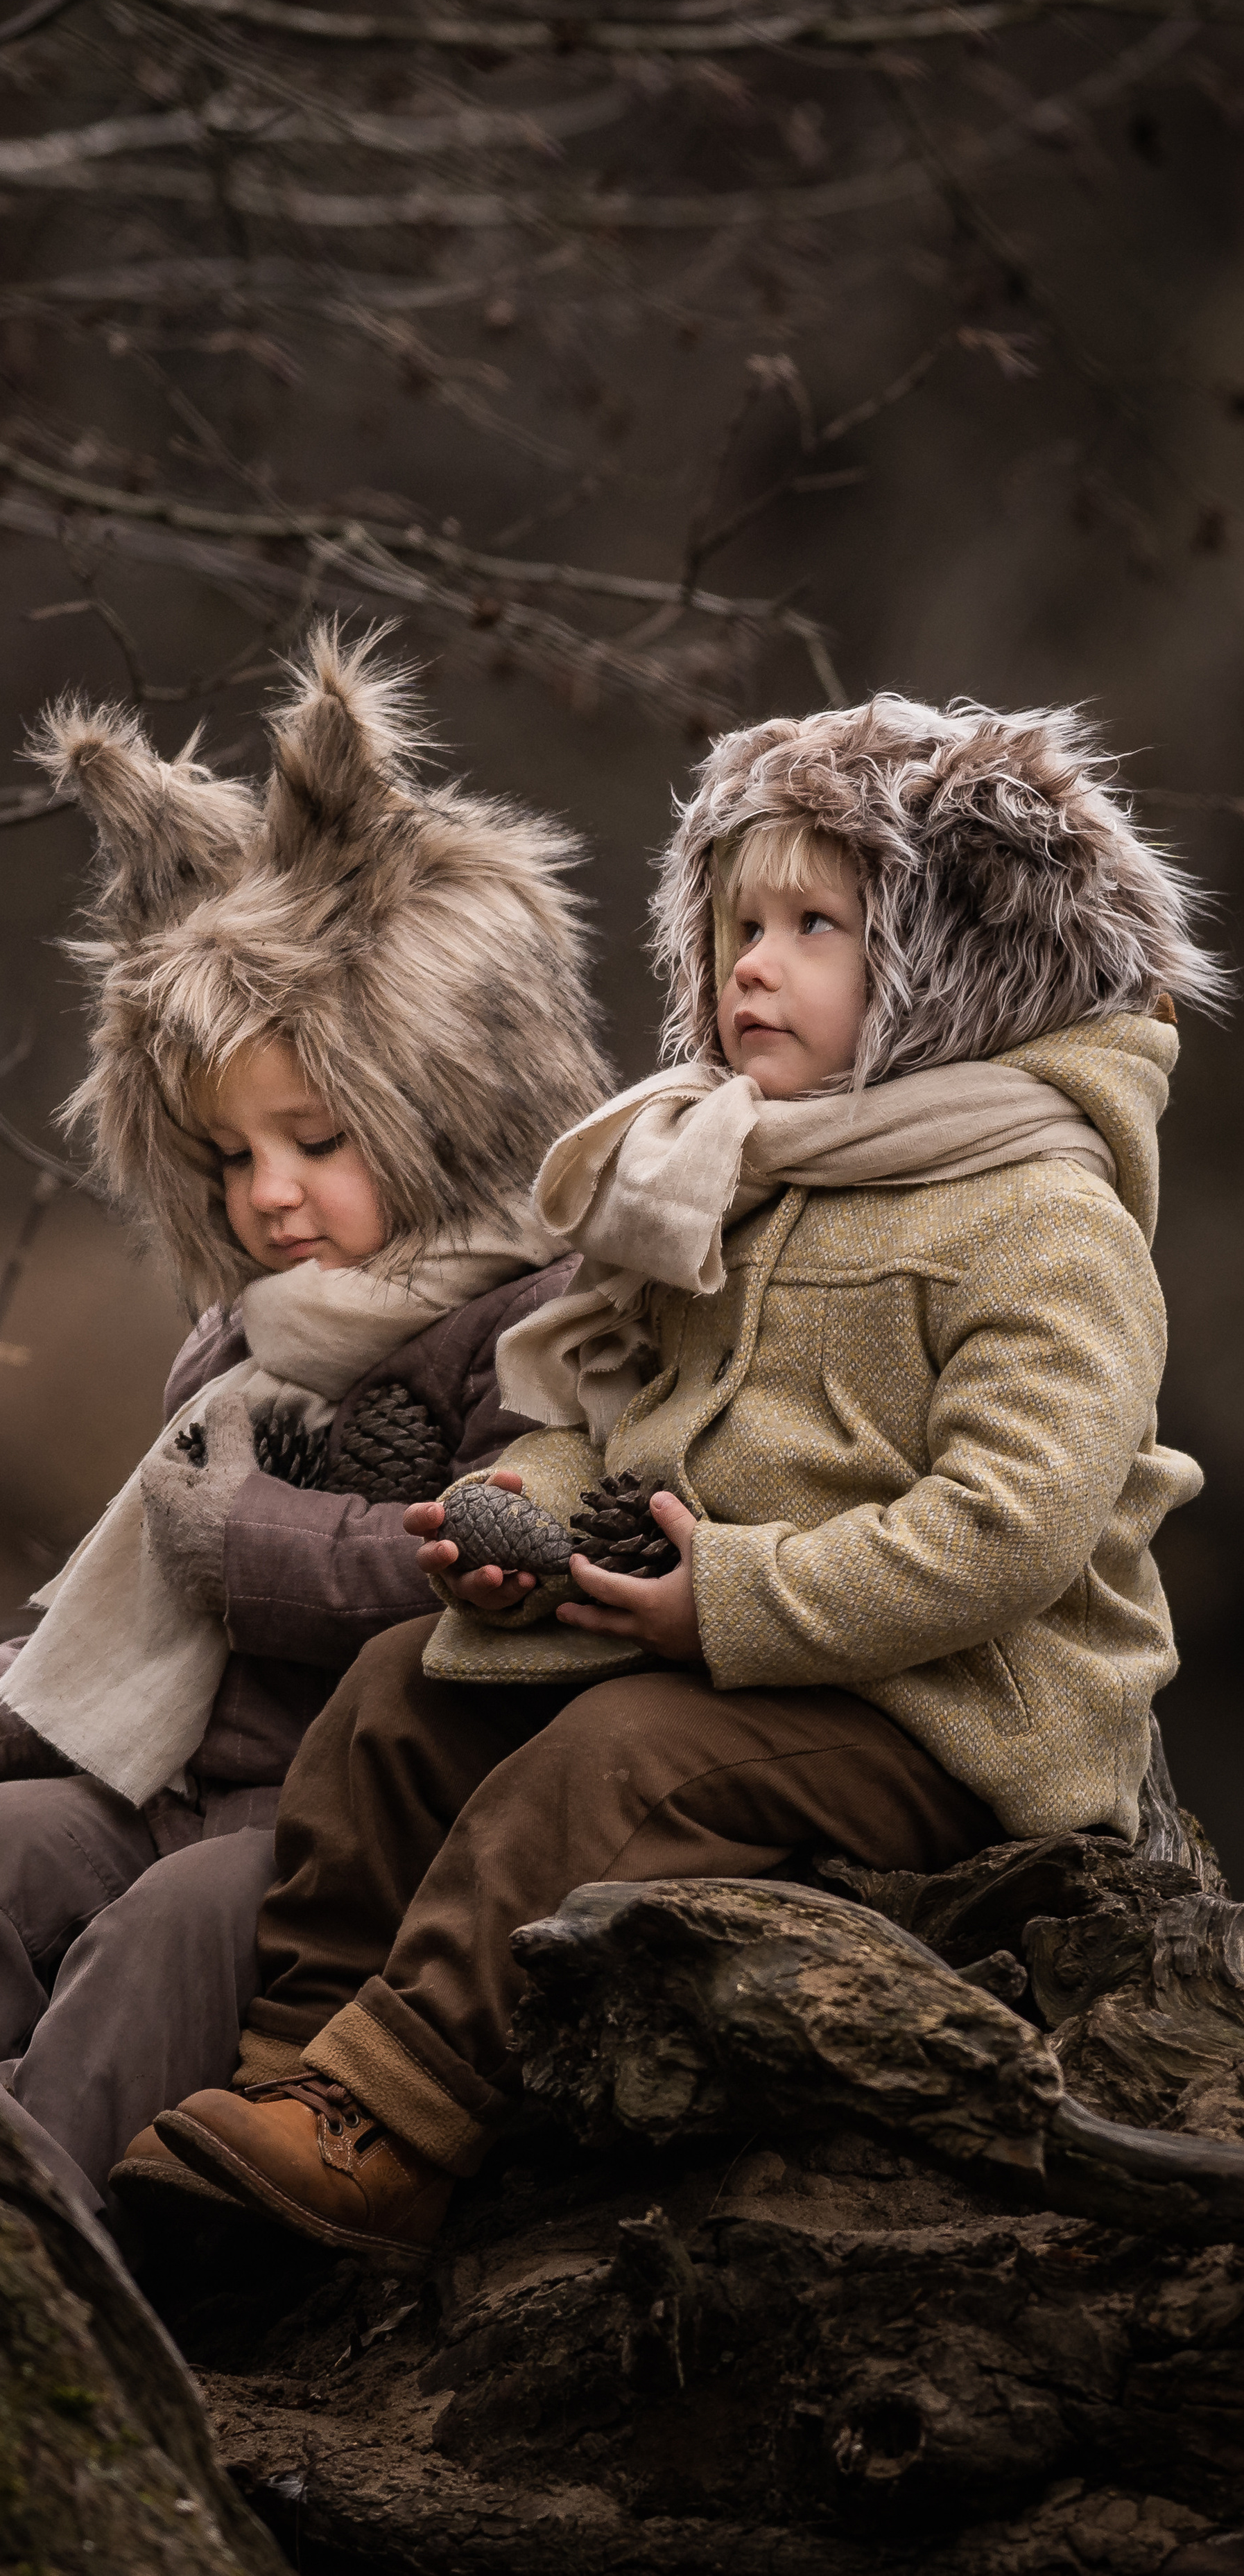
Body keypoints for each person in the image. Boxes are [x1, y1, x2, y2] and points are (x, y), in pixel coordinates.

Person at [139, 691, 1227, 2263]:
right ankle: (285, 2085)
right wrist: (520, 1509)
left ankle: (392, 2125)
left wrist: (724, 1601)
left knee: (620, 1765)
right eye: (730, 926)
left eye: (812, 925)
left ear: (957, 968)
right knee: (395, 1696)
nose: (751, 967)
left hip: (943, 1712)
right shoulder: (728, 1172)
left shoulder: (1039, 1214)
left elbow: (1008, 1530)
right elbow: (621, 1400)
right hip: (709, 1641)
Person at [0, 626, 609, 2219]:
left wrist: (268, 1536)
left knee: (172, 1923)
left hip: (356, 1841)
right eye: (227, 1158)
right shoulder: (242, 1340)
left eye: (313, 1137)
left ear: (444, 1106)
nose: (268, 1194)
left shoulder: (528, 1318)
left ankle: (34, 2237)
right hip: (168, 1784)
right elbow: (138, 1597)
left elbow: (509, 1565)